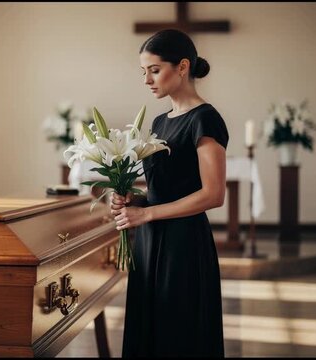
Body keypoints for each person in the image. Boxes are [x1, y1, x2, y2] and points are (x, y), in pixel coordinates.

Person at [111, 28, 228, 357]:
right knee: (150, 328)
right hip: (150, 242)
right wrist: (131, 199)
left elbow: (213, 194)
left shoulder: (206, 120)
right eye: (143, 72)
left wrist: (146, 213)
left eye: (154, 70)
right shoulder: (160, 122)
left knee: (178, 332)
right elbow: (162, 189)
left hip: (183, 245)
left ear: (182, 67)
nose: (147, 79)